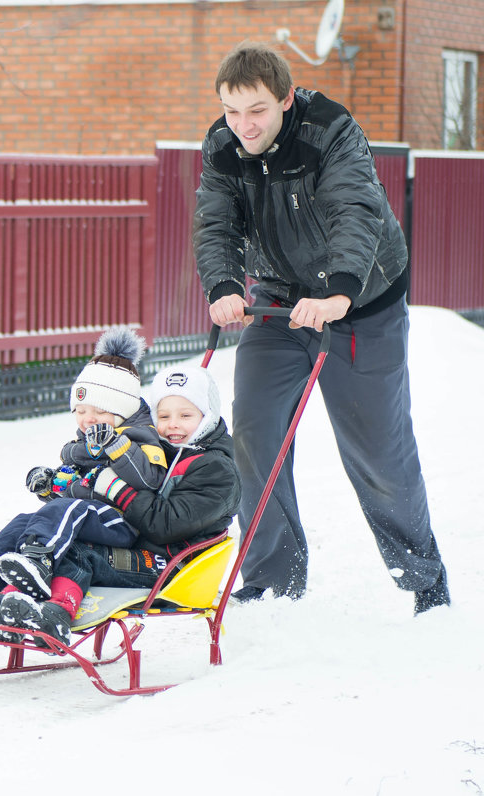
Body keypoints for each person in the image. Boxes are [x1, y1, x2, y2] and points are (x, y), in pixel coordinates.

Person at [193, 41, 450, 613]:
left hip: (361, 304)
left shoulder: (331, 132)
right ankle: (273, 582)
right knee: (253, 435)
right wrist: (224, 287)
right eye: (232, 112)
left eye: (256, 110)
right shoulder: (222, 146)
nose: (243, 125)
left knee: (378, 453)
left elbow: (353, 210)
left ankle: (423, 580)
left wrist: (338, 289)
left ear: (286, 98)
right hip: (281, 302)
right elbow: (215, 223)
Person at [0, 328, 168, 637]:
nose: (88, 419)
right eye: (81, 410)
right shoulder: (83, 443)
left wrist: (116, 446)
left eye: (100, 411)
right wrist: (50, 485)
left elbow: (149, 479)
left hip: (122, 521)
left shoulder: (141, 437)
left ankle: (39, 561)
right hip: (87, 516)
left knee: (72, 511)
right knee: (25, 522)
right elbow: (66, 493)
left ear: (122, 411)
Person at [0, 365, 240, 644]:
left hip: (173, 565)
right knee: (53, 537)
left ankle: (54, 616)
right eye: (163, 416)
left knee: (78, 553)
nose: (172, 424)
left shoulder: (217, 470)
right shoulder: (166, 451)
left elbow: (165, 526)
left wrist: (116, 489)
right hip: (141, 548)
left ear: (208, 416)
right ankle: (4, 603)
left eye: (185, 415)